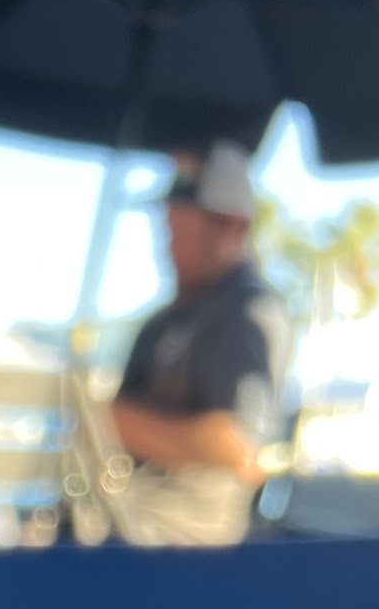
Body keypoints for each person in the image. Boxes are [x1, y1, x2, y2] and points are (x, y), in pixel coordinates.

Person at [109, 143, 289, 547]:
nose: (167, 247)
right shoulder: (160, 323)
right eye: (166, 230)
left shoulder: (251, 314)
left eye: (180, 232)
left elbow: (238, 449)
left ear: (232, 228)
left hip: (192, 543)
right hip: (121, 515)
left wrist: (107, 419)